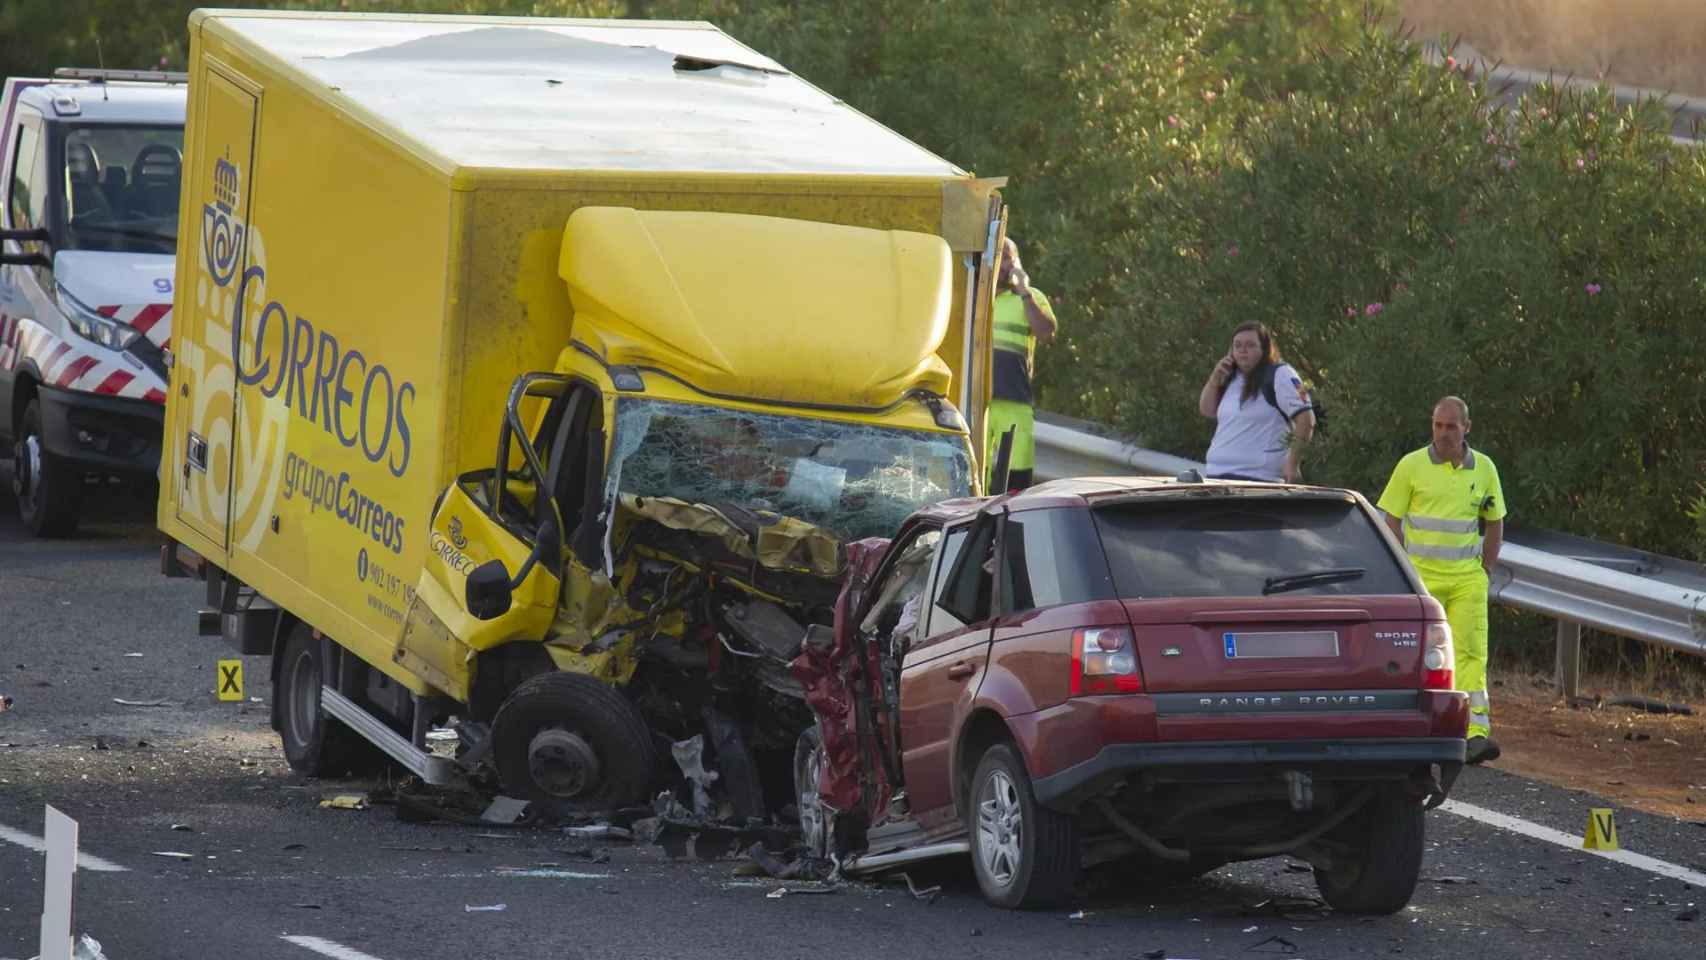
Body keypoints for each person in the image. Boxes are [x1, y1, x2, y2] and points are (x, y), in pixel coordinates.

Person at [1376, 396, 1507, 765]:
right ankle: (1416, 727)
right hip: (1423, 581)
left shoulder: (1484, 468)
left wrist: (1486, 569)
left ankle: (1475, 733)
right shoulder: (1412, 465)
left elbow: (1495, 519)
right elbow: (1391, 520)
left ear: (1466, 427)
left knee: (1469, 653)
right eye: (1438, 425)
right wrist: (1405, 570)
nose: (1443, 433)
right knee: (1417, 657)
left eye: (1451, 426)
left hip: (1467, 579)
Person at [1198, 322, 1315, 482]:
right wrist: (1214, 380)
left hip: (1258, 482)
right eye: (1237, 345)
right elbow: (1207, 410)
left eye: (1250, 345)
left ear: (1265, 349)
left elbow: (1306, 420)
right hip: (1216, 477)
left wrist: (1292, 464)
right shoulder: (1231, 378)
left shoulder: (1281, 374)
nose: (1242, 350)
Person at [986, 237, 1058, 492]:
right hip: (977, 404)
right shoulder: (977, 296)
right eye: (999, 257)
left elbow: (1047, 333)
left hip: (1014, 402)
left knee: (1016, 485)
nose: (1004, 264)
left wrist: (1025, 292)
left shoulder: (1032, 297)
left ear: (1018, 262)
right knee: (974, 479)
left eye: (1009, 257)